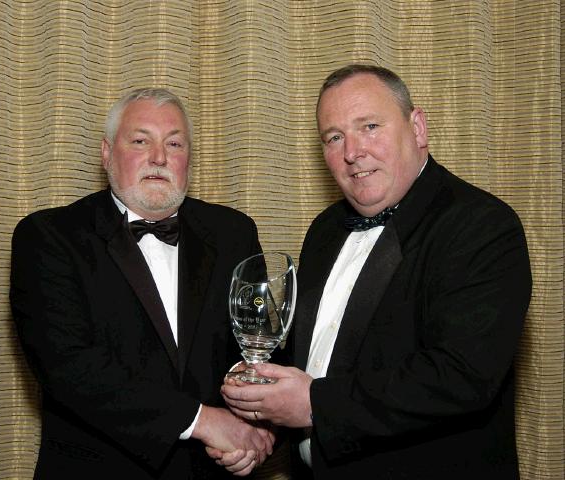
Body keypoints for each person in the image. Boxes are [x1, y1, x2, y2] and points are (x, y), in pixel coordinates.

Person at [220, 65, 532, 479]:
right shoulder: (325, 230)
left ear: (417, 128)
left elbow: (460, 377)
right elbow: (319, 354)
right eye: (334, 137)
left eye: (369, 126)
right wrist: (260, 384)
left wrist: (314, 403)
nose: (352, 151)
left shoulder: (481, 225)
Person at [10, 88, 274, 479]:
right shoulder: (49, 237)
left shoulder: (233, 232)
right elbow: (69, 368)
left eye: (175, 143)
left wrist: (260, 429)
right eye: (140, 141)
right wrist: (202, 420)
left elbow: (262, 347)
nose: (159, 157)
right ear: (106, 153)